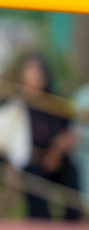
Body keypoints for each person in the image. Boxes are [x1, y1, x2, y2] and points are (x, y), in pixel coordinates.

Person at [18, 53, 82, 221]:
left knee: (71, 171)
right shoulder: (17, 106)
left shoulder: (55, 103)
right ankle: (41, 224)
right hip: (31, 161)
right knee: (32, 174)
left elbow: (71, 133)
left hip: (56, 159)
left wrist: (57, 151)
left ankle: (72, 222)